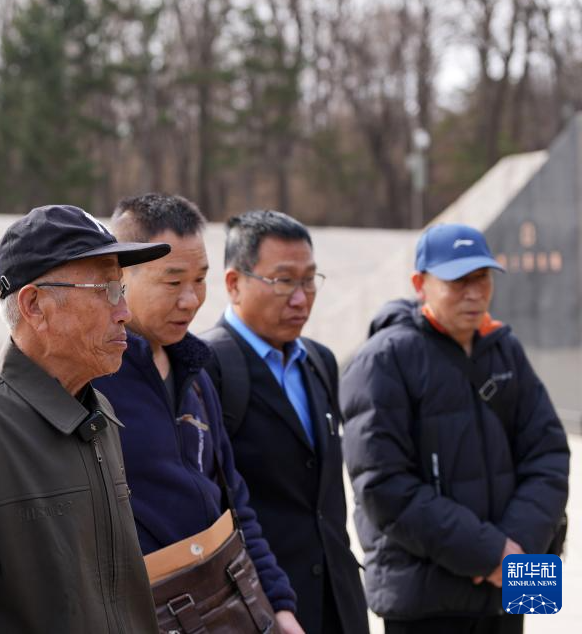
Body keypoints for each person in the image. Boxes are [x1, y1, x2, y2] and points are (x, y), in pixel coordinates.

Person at [0, 204, 169, 634]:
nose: (124, 313)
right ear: (35, 305)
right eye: (106, 290)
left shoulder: (99, 415)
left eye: (122, 290)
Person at [340, 223, 570, 634]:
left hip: (516, 574)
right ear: (420, 284)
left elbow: (549, 454)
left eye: (482, 278)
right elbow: (382, 486)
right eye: (458, 281)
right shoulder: (382, 359)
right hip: (427, 597)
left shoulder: (505, 347)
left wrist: (517, 550)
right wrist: (490, 553)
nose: (475, 292)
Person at [93, 194, 305, 634]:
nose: (191, 300)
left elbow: (235, 505)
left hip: (223, 607)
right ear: (120, 276)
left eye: (200, 279)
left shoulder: (196, 375)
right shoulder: (92, 383)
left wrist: (279, 605)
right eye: (173, 282)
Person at [200, 210, 368, 634]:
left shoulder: (319, 361)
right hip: (262, 608)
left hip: (339, 602)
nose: (301, 298)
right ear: (234, 283)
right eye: (283, 281)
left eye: (309, 280)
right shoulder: (206, 367)